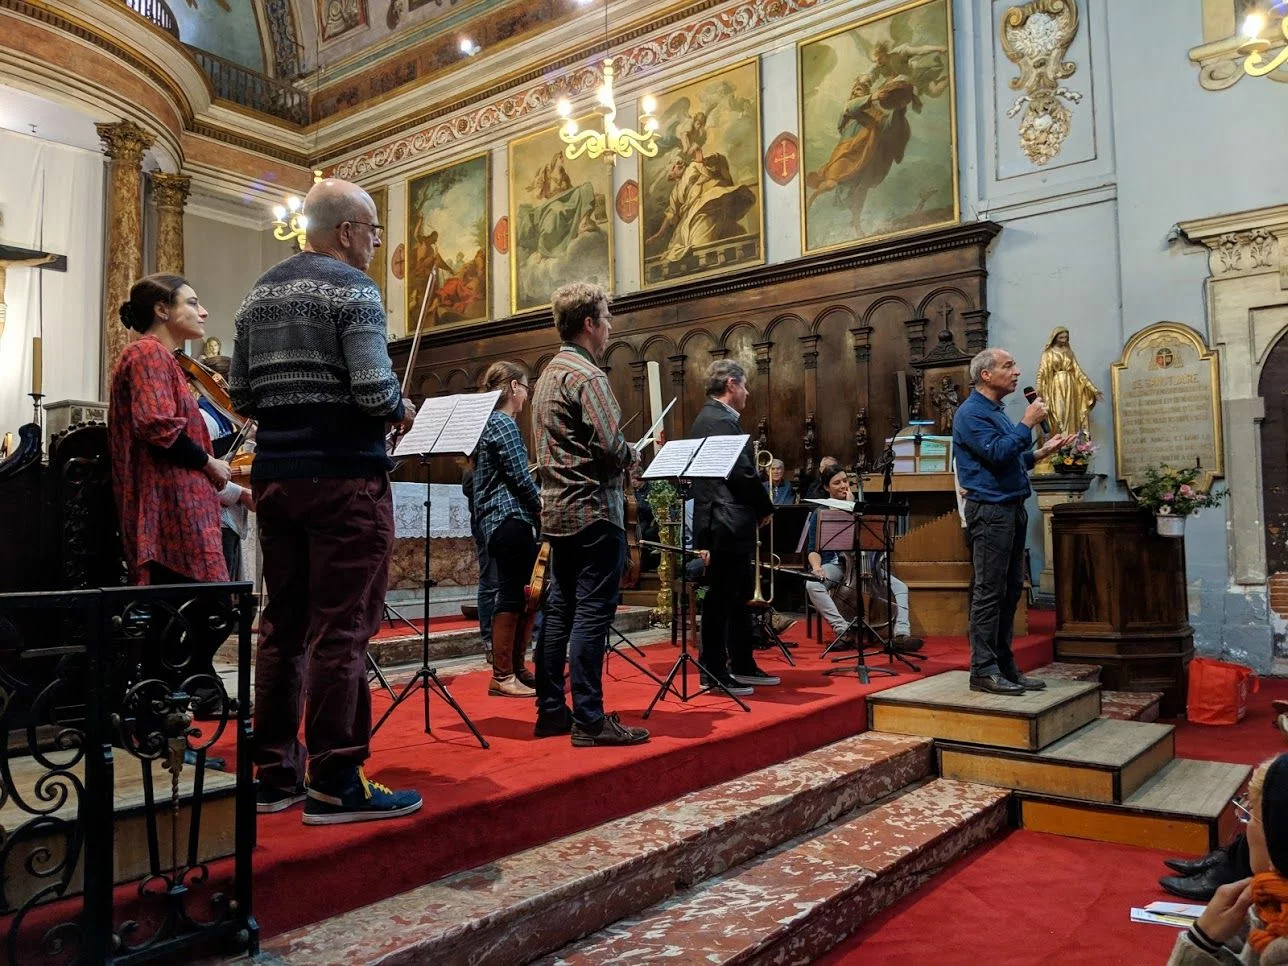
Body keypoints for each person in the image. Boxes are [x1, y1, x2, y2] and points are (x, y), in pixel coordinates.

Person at [229, 177, 421, 824]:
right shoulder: (353, 289)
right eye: (371, 230)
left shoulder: (259, 293)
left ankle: (275, 771)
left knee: (280, 626)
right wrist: (400, 409)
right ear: (345, 231)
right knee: (342, 627)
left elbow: (241, 394)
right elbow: (372, 388)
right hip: (344, 478)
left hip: (278, 477)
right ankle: (336, 776)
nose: (373, 242)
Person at [109, 275, 234, 718]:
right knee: (196, 607)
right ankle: (177, 698)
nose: (203, 312)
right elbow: (157, 425)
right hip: (166, 511)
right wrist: (210, 464)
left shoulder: (167, 360)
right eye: (193, 303)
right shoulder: (147, 352)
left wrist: (231, 488)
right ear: (162, 309)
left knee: (204, 606)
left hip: (185, 505)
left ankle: (192, 691)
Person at [530, 282, 648, 747]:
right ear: (589, 324)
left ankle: (552, 712)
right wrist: (631, 455)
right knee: (591, 617)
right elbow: (609, 446)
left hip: (558, 512)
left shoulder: (546, 375)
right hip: (596, 512)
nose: (610, 326)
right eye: (607, 317)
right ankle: (591, 720)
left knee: (558, 613)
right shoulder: (588, 376)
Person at [952, 347, 1070, 696]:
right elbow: (996, 453)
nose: (1017, 372)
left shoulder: (996, 411)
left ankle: (1004, 665)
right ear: (985, 375)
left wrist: (1041, 453)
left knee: (1009, 592)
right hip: (990, 511)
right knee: (989, 592)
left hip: (1010, 507)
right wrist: (1027, 423)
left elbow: (1009, 459)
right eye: (1008, 366)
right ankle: (983, 670)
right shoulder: (971, 413)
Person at [690, 360, 777, 694]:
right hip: (726, 522)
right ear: (731, 384)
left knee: (738, 597)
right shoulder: (720, 421)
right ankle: (713, 671)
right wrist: (764, 506)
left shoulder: (712, 418)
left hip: (725, 519)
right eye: (745, 385)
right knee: (722, 599)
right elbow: (741, 473)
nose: (747, 392)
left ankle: (742, 664)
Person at [1167, 754, 1288, 965]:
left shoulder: (1278, 934)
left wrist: (1202, 939)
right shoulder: (1271, 902)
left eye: (1250, 816)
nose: (1245, 826)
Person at [474, 361, 541, 698]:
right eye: (526, 388)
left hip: (504, 519)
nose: (527, 396)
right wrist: (541, 503)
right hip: (508, 517)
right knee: (513, 593)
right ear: (514, 387)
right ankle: (502, 675)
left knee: (523, 594)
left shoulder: (490, 422)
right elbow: (519, 476)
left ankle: (516, 667)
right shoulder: (502, 422)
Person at [804, 465, 922, 653]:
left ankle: (901, 634)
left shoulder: (861, 508)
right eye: (837, 483)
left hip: (866, 564)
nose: (843, 486)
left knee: (900, 587)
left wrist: (854, 508)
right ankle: (842, 630)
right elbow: (813, 549)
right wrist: (816, 567)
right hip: (835, 563)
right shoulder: (820, 513)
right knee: (812, 585)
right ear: (827, 488)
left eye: (845, 481)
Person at [459, 453, 499, 664]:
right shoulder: (474, 453)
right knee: (490, 581)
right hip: (486, 521)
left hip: (502, 521)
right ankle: (489, 641)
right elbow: (468, 487)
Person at [1035, 326, 1103, 438]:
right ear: (1055, 338)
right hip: (1056, 388)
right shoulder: (1047, 354)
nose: (1064, 340)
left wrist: (1093, 389)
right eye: (1061, 337)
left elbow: (1078, 371)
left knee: (1071, 417)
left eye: (1066, 338)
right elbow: (1041, 372)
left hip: (1071, 388)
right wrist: (1038, 388)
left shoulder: (1069, 352)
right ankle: (1058, 447)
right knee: (1058, 416)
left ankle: (1071, 447)